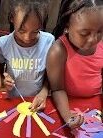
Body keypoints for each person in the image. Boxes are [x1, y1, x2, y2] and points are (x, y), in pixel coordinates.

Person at [47, 0, 103, 129]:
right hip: (67, 105)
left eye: (100, 31)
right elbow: (57, 89)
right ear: (67, 26)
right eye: (84, 33)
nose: (93, 39)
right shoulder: (58, 51)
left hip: (96, 104)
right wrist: (68, 116)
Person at [0, 0, 54, 111]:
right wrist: (4, 80)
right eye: (22, 31)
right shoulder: (3, 44)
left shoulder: (48, 41)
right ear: (12, 18)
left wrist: (44, 92)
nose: (27, 37)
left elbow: (50, 76)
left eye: (35, 31)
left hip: (37, 102)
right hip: (12, 103)